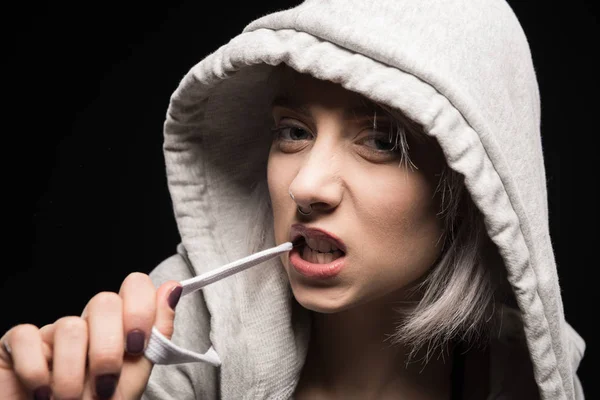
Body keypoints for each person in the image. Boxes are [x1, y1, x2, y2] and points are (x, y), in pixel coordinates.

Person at [0, 0, 586, 398]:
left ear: (473, 182)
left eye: (381, 141)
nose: (306, 186)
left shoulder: (516, 378)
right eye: (293, 132)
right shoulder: (174, 339)